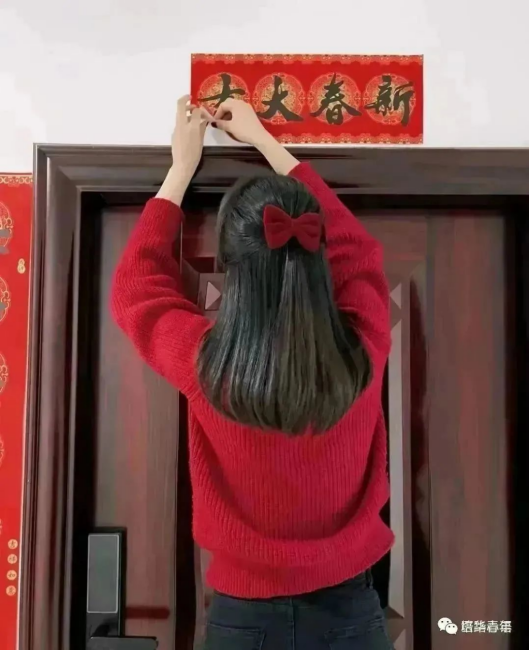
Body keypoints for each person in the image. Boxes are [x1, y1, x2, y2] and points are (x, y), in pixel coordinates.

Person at [111, 95, 394, 650]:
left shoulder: (206, 363)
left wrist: (179, 171)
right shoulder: (365, 343)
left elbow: (134, 291)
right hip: (352, 613)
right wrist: (268, 143)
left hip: (243, 622)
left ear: (232, 268)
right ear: (317, 251)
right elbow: (358, 252)